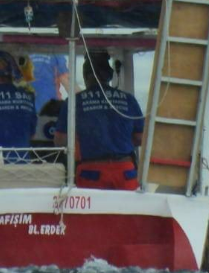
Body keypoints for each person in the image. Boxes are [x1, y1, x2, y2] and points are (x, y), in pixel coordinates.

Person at [54, 52, 144, 190]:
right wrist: (117, 141)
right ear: (108, 75)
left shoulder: (75, 101)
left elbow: (60, 140)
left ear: (85, 75)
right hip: (125, 172)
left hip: (91, 173)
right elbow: (140, 138)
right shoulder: (128, 99)